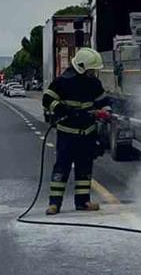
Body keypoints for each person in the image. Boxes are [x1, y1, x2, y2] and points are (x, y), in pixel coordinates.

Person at [41, 47, 111, 215]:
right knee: (62, 168)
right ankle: (54, 204)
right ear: (81, 67)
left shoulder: (94, 83)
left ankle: (83, 202)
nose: (93, 73)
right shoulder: (62, 82)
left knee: (84, 169)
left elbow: (103, 101)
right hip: (67, 134)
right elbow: (47, 99)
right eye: (91, 70)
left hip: (88, 133)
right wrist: (65, 111)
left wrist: (106, 112)